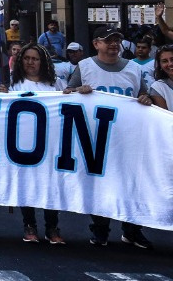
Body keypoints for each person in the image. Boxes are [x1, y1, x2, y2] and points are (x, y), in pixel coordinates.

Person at [64, 26, 155, 249]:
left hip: (129, 138)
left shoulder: (133, 68)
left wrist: (146, 99)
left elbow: (143, 94)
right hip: (97, 138)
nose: (114, 44)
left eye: (117, 40)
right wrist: (78, 91)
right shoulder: (85, 66)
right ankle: (100, 229)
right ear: (96, 44)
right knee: (99, 185)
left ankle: (132, 230)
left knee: (131, 185)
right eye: (108, 40)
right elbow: (66, 94)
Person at [5, 43, 66, 245]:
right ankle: (29, 225)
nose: (30, 62)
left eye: (35, 59)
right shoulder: (14, 84)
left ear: (43, 62)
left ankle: (52, 227)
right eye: (27, 58)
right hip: (23, 142)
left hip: (51, 142)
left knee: (51, 185)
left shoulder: (56, 84)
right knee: (27, 184)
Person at [149, 45, 173, 110]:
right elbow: (164, 115)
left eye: (172, 59)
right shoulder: (158, 87)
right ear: (160, 65)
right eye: (165, 61)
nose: (170, 64)